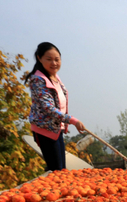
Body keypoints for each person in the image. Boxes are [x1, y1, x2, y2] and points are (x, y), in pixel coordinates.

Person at [25, 42, 85, 171]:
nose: (54, 63)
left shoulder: (54, 77)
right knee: (56, 170)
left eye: (57, 59)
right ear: (39, 58)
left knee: (61, 169)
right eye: (49, 59)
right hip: (45, 130)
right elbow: (48, 108)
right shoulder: (38, 79)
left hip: (56, 129)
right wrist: (73, 120)